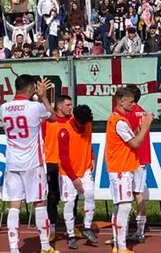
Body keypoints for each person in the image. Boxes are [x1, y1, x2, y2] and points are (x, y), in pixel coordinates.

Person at [1, 74, 59, 253]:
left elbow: (17, 105)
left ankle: (13, 248)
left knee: (14, 205)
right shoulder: (35, 107)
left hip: (12, 163)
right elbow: (53, 117)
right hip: (33, 162)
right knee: (39, 202)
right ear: (31, 88)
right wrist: (43, 96)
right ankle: (44, 245)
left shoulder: (4, 107)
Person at [105, 87, 153, 253]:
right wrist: (145, 128)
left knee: (120, 207)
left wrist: (139, 129)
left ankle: (119, 244)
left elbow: (130, 139)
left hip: (121, 167)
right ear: (121, 101)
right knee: (123, 207)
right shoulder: (119, 121)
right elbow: (135, 143)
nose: (133, 105)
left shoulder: (118, 119)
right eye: (131, 102)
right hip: (120, 168)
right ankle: (121, 246)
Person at [56, 104, 98, 250]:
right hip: (68, 172)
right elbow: (63, 157)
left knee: (90, 195)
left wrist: (92, 156)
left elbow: (88, 142)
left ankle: (87, 227)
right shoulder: (64, 131)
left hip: (85, 167)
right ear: (76, 119)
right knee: (69, 202)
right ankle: (71, 235)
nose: (84, 126)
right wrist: (74, 179)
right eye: (82, 123)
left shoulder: (87, 124)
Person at [43, 95, 73, 242]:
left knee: (73, 197)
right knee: (53, 196)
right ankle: (52, 228)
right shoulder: (48, 121)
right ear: (59, 106)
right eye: (67, 105)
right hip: (52, 162)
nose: (70, 107)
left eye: (71, 105)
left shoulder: (73, 120)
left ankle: (71, 229)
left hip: (69, 164)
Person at [124, 84, 152, 244]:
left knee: (128, 195)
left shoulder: (129, 114)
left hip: (132, 158)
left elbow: (129, 138)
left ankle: (126, 232)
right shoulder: (143, 112)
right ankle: (139, 232)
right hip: (142, 157)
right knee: (138, 193)